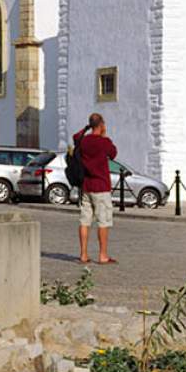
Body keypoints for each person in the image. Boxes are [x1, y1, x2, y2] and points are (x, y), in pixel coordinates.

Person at [72, 113, 118, 264]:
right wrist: (104, 136)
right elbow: (113, 153)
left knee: (85, 220)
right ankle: (103, 255)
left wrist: (87, 128)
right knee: (103, 221)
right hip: (101, 186)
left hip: (86, 186)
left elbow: (75, 137)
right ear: (102, 125)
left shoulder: (83, 141)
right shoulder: (103, 142)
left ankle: (83, 254)